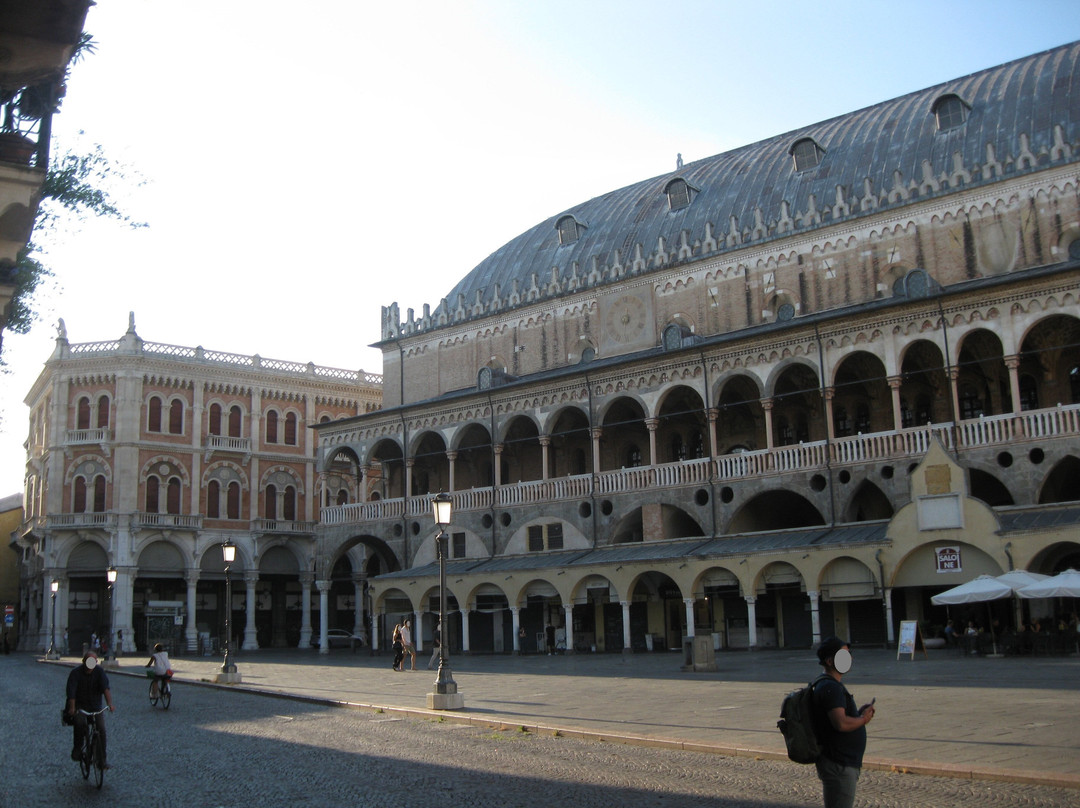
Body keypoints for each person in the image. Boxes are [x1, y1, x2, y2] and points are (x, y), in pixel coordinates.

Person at [811, 637, 874, 808]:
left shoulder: (829, 685)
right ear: (830, 661)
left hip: (840, 760)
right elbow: (841, 723)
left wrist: (858, 714)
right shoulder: (830, 688)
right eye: (844, 655)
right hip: (839, 763)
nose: (850, 659)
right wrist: (863, 720)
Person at [66, 651, 115, 769]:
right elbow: (71, 693)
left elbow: (106, 689)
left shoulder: (99, 672)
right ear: (84, 662)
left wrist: (110, 704)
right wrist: (72, 708)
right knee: (79, 724)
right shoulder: (76, 673)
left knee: (101, 729)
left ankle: (102, 761)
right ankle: (77, 748)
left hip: (95, 706)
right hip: (80, 706)